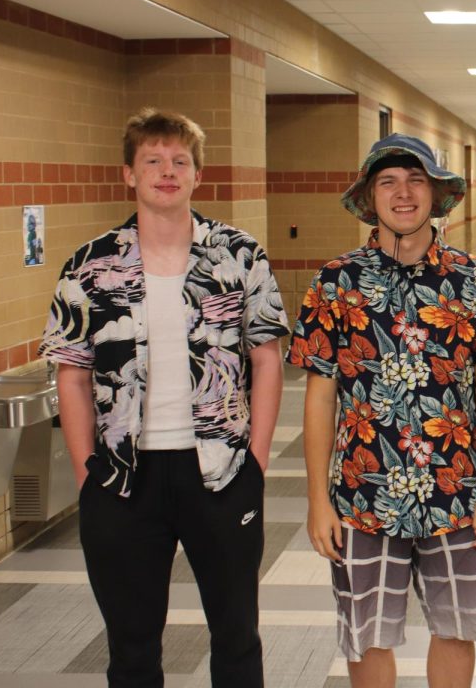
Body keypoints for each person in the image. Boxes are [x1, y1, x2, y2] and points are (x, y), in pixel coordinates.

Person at [40, 108, 289, 687]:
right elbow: (71, 376)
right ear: (129, 174)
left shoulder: (239, 255)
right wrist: (87, 474)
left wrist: (254, 458)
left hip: (221, 474)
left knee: (236, 639)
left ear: (198, 175)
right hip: (123, 480)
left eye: (180, 161)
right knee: (131, 649)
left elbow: (267, 358)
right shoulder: (90, 264)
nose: (167, 171)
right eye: (152, 160)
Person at [290, 133, 476, 688]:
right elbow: (320, 396)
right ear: (370, 198)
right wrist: (318, 500)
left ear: (436, 194)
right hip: (361, 492)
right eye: (388, 182)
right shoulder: (335, 282)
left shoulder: (474, 279)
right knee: (366, 632)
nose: (403, 193)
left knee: (457, 628)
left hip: (456, 489)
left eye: (416, 180)